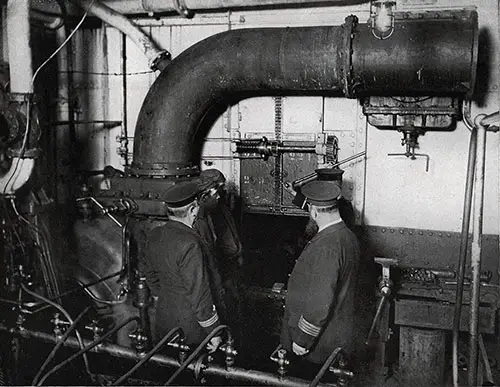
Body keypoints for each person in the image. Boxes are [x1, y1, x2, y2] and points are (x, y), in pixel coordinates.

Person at [281, 179, 360, 364]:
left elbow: (320, 301)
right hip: (337, 335)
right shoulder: (347, 236)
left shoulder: (327, 246)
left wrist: (302, 340)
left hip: (321, 347)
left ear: (314, 212)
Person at [143, 181, 222, 352]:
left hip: (164, 319)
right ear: (193, 210)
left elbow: (150, 275)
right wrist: (213, 331)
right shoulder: (191, 243)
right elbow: (199, 294)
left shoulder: (154, 235)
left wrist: (166, 296)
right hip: (191, 327)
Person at [193, 169, 245, 337]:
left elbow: (231, 234)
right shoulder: (202, 217)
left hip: (233, 267)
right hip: (223, 272)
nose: (223, 192)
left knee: (235, 306)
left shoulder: (221, 207)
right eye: (220, 188)